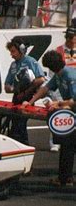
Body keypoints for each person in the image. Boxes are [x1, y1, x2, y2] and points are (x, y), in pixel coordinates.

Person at [22, 50, 75, 187]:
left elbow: (75, 99)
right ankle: (65, 178)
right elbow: (45, 89)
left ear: (51, 66)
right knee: (67, 145)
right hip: (72, 112)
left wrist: (59, 104)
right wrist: (31, 101)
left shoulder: (69, 75)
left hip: (72, 110)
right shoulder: (59, 75)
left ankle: (65, 178)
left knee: (68, 145)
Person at [3, 37, 45, 144]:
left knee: (20, 123)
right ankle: (18, 144)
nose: (11, 54)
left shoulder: (31, 61)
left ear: (21, 50)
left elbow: (41, 79)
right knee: (14, 123)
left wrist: (26, 91)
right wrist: (13, 89)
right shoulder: (13, 65)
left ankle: (24, 144)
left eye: (13, 51)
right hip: (17, 96)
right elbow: (7, 85)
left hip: (28, 97)